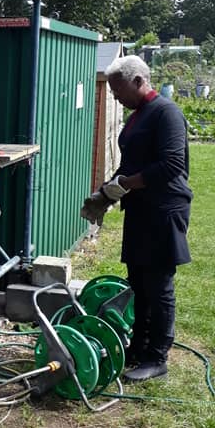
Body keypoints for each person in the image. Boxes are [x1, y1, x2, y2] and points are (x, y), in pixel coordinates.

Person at [80, 55, 192, 382]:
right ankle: (138, 349)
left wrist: (125, 184)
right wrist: (106, 191)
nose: (115, 96)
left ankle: (158, 358)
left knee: (158, 286)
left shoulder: (166, 113)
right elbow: (130, 164)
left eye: (119, 89)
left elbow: (171, 166)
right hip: (141, 211)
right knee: (139, 284)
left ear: (139, 81)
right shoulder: (139, 115)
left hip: (163, 209)